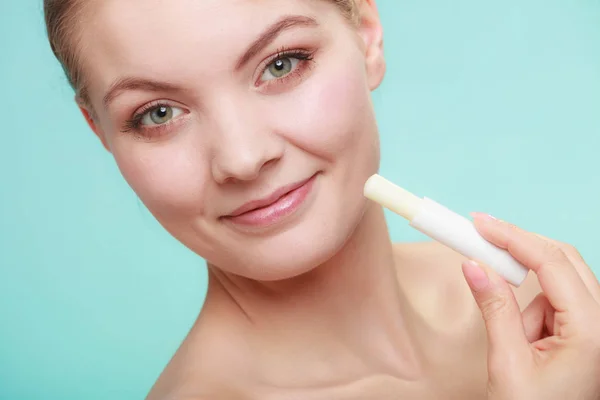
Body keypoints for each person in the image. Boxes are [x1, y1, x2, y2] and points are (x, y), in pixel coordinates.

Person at [43, 0, 600, 398]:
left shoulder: (539, 308)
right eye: (158, 113)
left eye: (280, 63)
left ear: (367, 37)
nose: (241, 157)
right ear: (102, 134)